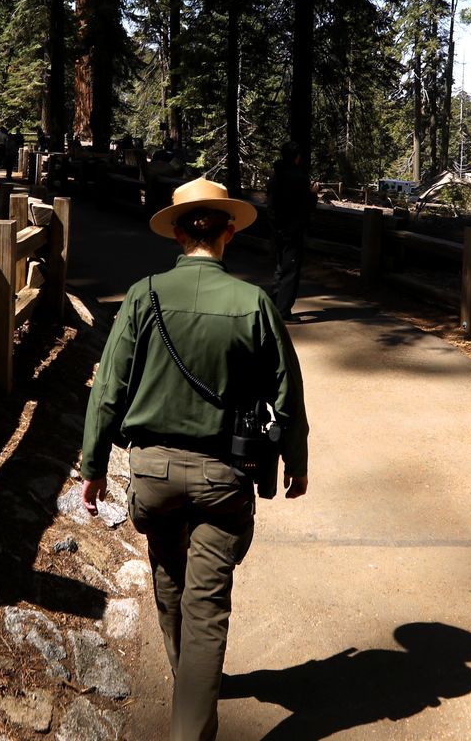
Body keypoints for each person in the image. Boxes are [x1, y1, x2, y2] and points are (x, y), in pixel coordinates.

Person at [78, 176, 309, 741]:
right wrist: (296, 463)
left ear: (178, 233)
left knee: (170, 582)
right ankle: (192, 716)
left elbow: (108, 388)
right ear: (229, 232)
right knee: (208, 610)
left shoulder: (143, 295)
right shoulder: (254, 304)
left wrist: (91, 465)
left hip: (153, 475)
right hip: (223, 478)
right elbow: (287, 393)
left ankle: (190, 684)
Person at [268, 146, 317, 320]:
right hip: (293, 230)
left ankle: (274, 305)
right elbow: (305, 206)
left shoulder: (275, 177)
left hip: (277, 229)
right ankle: (283, 311)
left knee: (280, 268)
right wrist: (313, 194)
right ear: (297, 158)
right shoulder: (299, 179)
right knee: (290, 271)